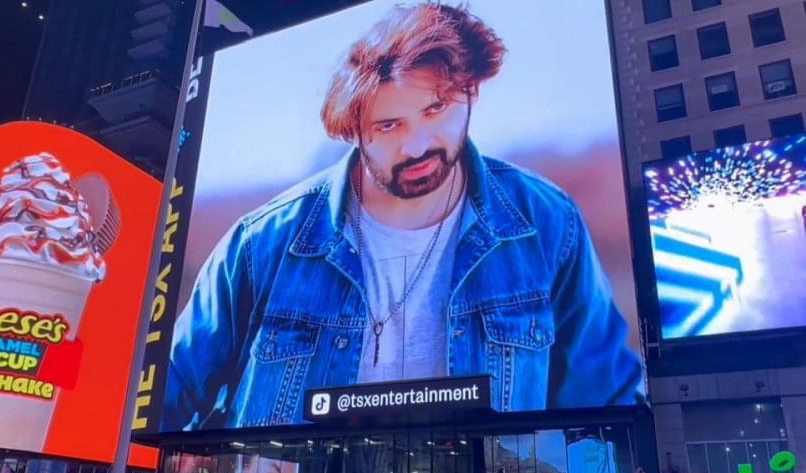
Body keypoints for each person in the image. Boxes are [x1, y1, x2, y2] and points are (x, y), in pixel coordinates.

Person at [161, 1, 642, 431]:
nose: (416, 146)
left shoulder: (546, 224)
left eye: (436, 109)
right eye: (389, 125)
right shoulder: (261, 244)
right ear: (354, 131)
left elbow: (607, 410)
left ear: (470, 94)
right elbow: (160, 402)